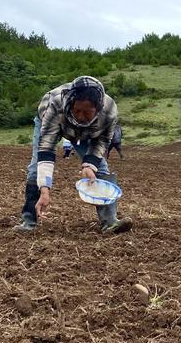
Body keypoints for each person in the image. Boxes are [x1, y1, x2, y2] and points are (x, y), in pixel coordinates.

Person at [15, 76, 132, 234]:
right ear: (70, 103)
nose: (81, 116)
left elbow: (102, 141)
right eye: (77, 111)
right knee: (36, 167)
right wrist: (45, 189)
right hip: (54, 122)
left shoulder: (109, 111)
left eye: (87, 113)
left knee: (101, 167)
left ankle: (110, 222)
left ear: (97, 109)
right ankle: (29, 221)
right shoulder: (55, 105)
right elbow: (46, 149)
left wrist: (89, 164)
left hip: (88, 132)